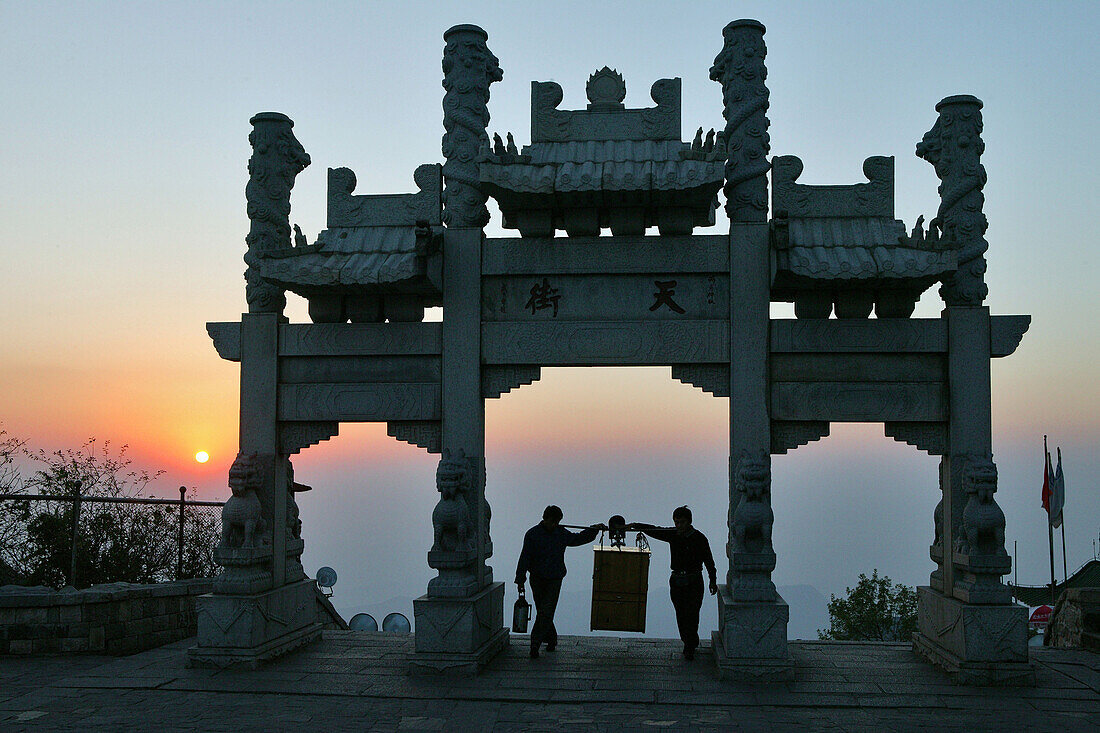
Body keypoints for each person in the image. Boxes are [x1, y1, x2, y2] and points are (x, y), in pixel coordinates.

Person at [629, 506, 718, 660]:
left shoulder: (699, 538)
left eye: (681, 522)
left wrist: (713, 580)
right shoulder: (673, 535)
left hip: (694, 581)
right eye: (676, 522)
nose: (678, 526)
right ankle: (689, 641)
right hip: (676, 581)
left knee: (692, 614)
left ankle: (690, 644)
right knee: (681, 614)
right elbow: (655, 530)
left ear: (689, 522)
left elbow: (709, 560)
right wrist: (635, 525)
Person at [515, 505, 604, 658]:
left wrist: (593, 530)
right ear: (546, 518)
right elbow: (525, 557)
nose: (555, 524)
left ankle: (535, 643)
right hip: (537, 578)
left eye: (557, 521)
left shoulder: (559, 533)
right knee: (543, 610)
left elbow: (577, 539)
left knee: (546, 611)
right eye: (553, 521)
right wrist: (520, 579)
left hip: (554, 579)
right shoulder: (533, 534)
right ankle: (551, 639)